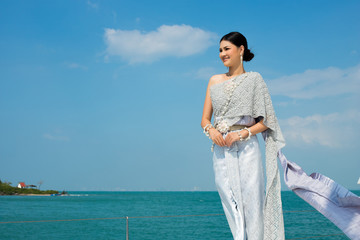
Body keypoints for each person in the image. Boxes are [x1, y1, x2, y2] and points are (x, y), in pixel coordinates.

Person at [201, 32, 360, 240]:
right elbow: (205, 119)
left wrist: (241, 133)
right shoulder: (214, 80)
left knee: (252, 202)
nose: (222, 54)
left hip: (247, 148)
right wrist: (211, 131)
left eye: (226, 49)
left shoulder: (255, 80)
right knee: (230, 203)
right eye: (220, 50)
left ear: (241, 49)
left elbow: (267, 121)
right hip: (221, 151)